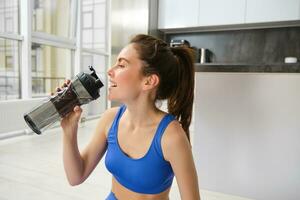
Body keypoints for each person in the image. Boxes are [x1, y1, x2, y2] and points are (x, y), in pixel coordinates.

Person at [59, 34, 201, 200]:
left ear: (149, 81)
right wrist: (69, 131)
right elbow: (76, 176)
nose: (110, 71)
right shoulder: (110, 119)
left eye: (121, 65)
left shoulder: (171, 137)